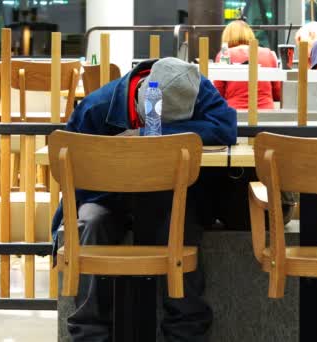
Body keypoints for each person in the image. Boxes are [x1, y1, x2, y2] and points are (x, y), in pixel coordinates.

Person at [51, 57, 237, 341]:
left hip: (167, 193)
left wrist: (151, 134)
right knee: (89, 223)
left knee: (180, 222)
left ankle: (185, 331)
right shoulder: (98, 107)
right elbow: (71, 169)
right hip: (106, 196)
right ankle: (89, 333)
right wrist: (59, 228)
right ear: (140, 96)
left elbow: (226, 128)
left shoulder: (196, 87)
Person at [213, 20, 281, 110]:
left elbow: (219, 93)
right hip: (266, 113)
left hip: (235, 112)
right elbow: (277, 93)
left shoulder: (224, 55)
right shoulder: (268, 53)